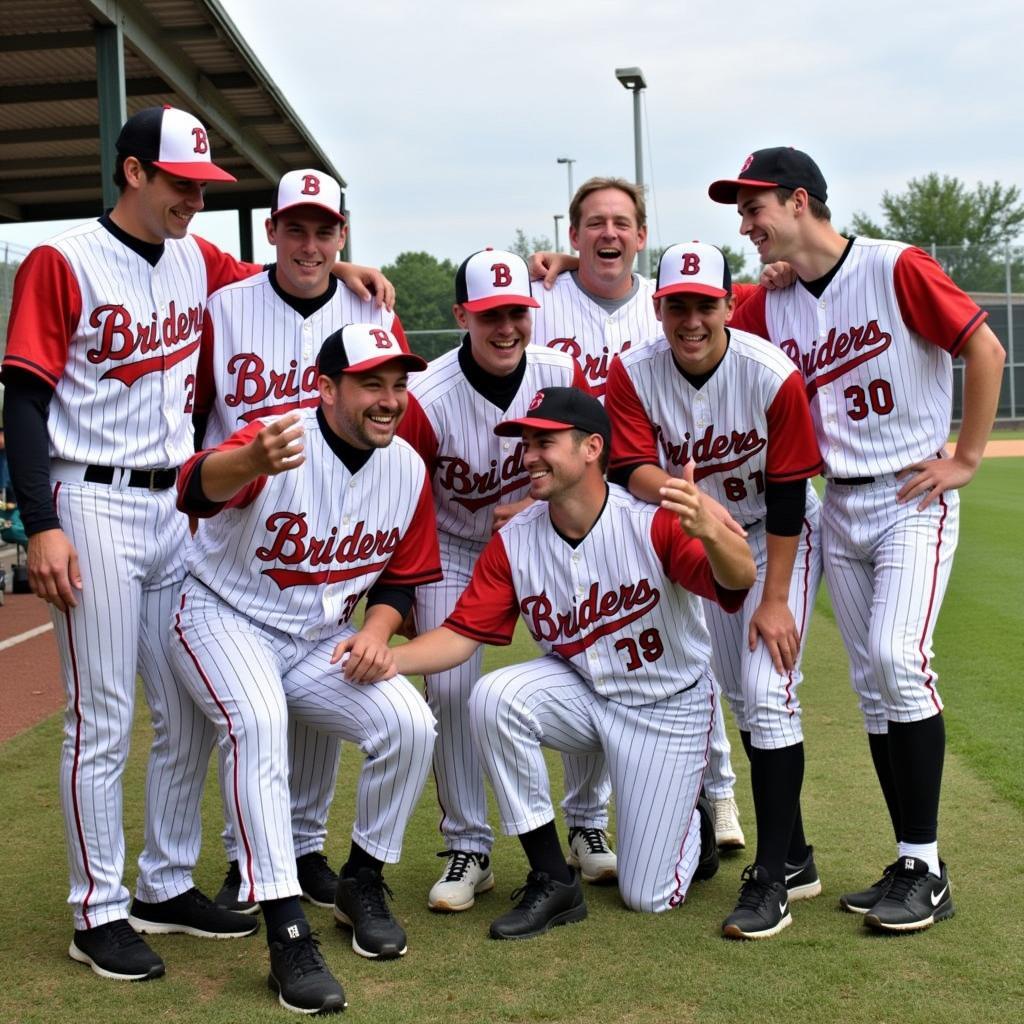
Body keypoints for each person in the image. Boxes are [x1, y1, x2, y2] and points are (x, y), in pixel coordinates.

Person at [0, 104, 394, 983]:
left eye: (203, 187)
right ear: (134, 173)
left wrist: (347, 267)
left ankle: (163, 884)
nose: (195, 201)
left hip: (178, 506)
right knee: (100, 717)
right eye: (183, 184)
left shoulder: (195, 258)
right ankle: (96, 910)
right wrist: (42, 522)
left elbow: (285, 274)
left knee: (187, 717)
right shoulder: (61, 260)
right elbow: (22, 399)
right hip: (89, 496)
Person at [708, 147, 1006, 932]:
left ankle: (926, 866)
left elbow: (984, 348)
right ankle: (911, 861)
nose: (746, 224)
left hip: (911, 491)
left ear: (799, 201)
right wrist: (562, 270)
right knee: (875, 684)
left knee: (902, 662)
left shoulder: (895, 266)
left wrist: (967, 456)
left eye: (754, 207)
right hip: (834, 502)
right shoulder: (770, 302)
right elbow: (695, 323)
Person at [350, 386, 756, 939]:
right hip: (585, 695)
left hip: (667, 707)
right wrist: (388, 658)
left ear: (591, 448)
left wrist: (713, 535)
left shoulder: (651, 523)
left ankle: (693, 817)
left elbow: (738, 580)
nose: (529, 453)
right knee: (495, 696)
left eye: (545, 441)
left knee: (648, 898)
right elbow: (458, 637)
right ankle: (551, 876)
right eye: (525, 442)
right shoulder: (516, 540)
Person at [171, 323, 439, 1014]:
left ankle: (363, 882)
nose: (388, 400)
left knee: (410, 722)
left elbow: (401, 581)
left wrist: (380, 630)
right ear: (326, 387)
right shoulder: (278, 435)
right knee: (257, 726)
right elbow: (194, 488)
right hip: (225, 615)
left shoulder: (406, 466)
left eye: (397, 385)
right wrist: (249, 461)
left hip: (322, 636)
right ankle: (287, 930)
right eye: (369, 385)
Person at [193, 167, 409, 915]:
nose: (311, 243)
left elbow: (388, 420)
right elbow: (194, 420)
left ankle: (307, 850)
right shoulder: (224, 307)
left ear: (342, 234)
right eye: (297, 227)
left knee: (322, 672)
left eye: (326, 230)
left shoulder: (369, 306)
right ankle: (247, 860)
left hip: (326, 533)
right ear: (271, 232)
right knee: (251, 717)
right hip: (238, 518)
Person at [605, 241, 825, 939]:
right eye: (678, 305)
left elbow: (790, 489)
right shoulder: (633, 372)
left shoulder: (770, 373)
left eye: (705, 304)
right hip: (693, 536)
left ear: (729, 306)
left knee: (766, 693)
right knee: (731, 695)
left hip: (773, 534)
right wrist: (680, 498)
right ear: (659, 306)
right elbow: (629, 462)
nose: (691, 320)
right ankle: (797, 854)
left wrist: (775, 597)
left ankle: (772, 880)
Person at [397, 248, 615, 910]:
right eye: (491, 315)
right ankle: (469, 845)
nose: (506, 328)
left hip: (546, 536)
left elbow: (591, 458)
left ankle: (586, 824)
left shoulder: (556, 370)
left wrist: (536, 508)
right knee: (454, 689)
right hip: (455, 547)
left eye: (517, 312)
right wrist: (402, 590)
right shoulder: (429, 396)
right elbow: (402, 494)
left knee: (588, 662)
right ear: (463, 314)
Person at [529, 178, 745, 847]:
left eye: (622, 222)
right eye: (594, 223)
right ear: (573, 235)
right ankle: (588, 821)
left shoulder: (668, 300)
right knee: (576, 654)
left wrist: (782, 270)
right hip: (574, 502)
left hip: (644, 497)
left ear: (642, 235)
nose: (609, 234)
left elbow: (741, 307)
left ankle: (720, 793)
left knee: (687, 649)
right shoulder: (541, 303)